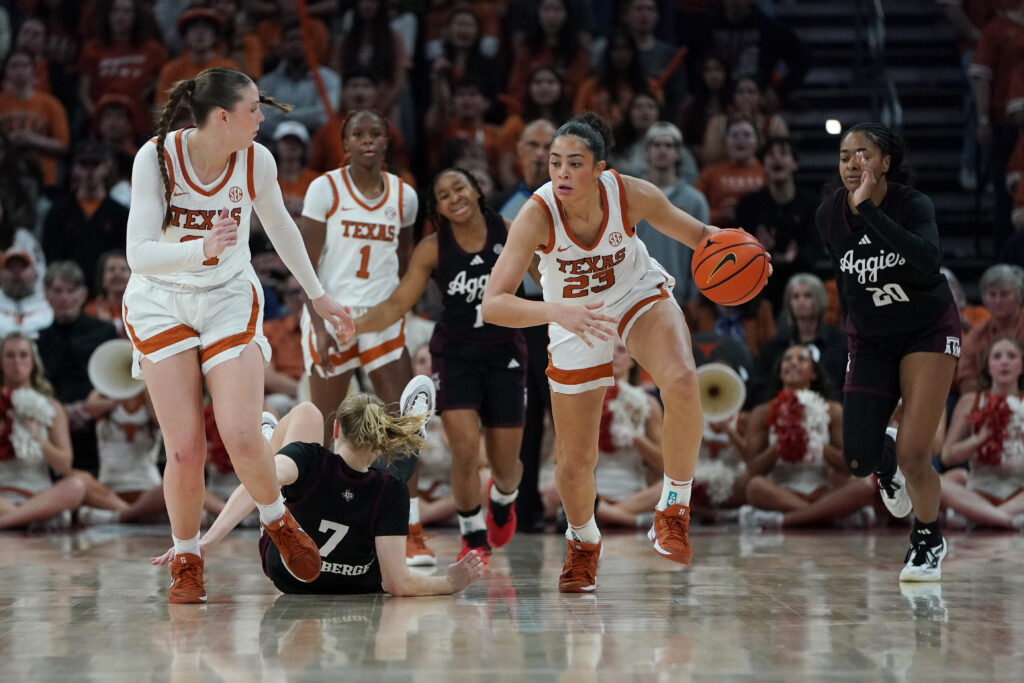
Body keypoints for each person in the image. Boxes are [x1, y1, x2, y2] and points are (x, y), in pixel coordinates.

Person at [482, 112, 739, 592]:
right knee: (574, 461)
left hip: (635, 294)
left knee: (683, 379)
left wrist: (743, 251)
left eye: (575, 163)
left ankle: (673, 509)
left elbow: (701, 236)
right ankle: (582, 542)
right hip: (572, 315)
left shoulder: (632, 194)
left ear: (600, 169)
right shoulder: (536, 215)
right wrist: (557, 311)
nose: (561, 172)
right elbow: (493, 304)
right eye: (555, 162)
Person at [124, 66, 353, 604]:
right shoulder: (156, 158)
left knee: (243, 434)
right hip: (160, 299)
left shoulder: (257, 160)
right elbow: (139, 254)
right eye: (254, 109)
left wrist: (318, 295)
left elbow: (281, 227)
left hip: (226, 294)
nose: (261, 118)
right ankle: (187, 559)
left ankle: (277, 519)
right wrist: (200, 248)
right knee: (184, 449)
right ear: (222, 117)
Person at [152, 384, 486, 596]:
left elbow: (256, 484)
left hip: (288, 577)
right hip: (358, 585)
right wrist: (448, 583)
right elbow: (398, 583)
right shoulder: (391, 488)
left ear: (336, 428)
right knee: (394, 475)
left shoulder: (311, 459)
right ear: (380, 439)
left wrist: (206, 541)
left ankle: (268, 446)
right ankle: (411, 432)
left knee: (305, 417)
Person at [353, 167, 527, 564]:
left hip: (505, 352)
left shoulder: (510, 231)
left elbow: (547, 277)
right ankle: (473, 534)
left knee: (505, 466)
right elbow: (398, 304)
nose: (454, 198)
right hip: (455, 355)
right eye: (444, 196)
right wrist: (353, 326)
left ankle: (503, 499)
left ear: (476, 190)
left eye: (459, 188)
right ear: (438, 209)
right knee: (463, 452)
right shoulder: (433, 248)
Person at [816, 122, 961, 581]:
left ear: (884, 163)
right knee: (858, 459)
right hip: (872, 337)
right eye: (844, 156)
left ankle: (928, 538)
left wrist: (869, 211)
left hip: (926, 329)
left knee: (916, 454)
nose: (851, 164)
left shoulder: (912, 204)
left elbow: (929, 259)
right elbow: (846, 280)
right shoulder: (828, 215)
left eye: (862, 155)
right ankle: (886, 461)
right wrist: (855, 333)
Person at [296, 109, 428, 565]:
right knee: (325, 431)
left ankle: (409, 529)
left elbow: (405, 259)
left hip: (382, 319)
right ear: (345, 143)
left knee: (403, 427)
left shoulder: (405, 196)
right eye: (359, 134)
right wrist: (318, 324)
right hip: (332, 315)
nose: (368, 140)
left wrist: (401, 306)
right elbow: (304, 262)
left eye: (376, 133)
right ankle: (315, 526)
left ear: (387, 142)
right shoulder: (325, 188)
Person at [738, 344, 878, 529]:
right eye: (787, 359)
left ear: (814, 374)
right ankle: (829, 516)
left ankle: (784, 520)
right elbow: (753, 469)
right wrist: (779, 446)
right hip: (780, 492)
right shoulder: (763, 412)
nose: (793, 362)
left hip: (822, 491)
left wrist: (817, 445)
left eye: (802, 359)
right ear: (780, 372)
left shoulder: (832, 410)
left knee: (866, 486)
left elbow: (849, 466)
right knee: (755, 486)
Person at [0, 333, 86, 530]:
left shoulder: (52, 407)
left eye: (23, 355)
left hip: (38, 497)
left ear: (33, 361)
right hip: (2, 497)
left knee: (76, 485)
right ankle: (26, 519)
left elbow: (65, 466)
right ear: (1, 362)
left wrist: (36, 436)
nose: (17, 362)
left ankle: (9, 521)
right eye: (10, 355)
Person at [938, 336, 1024, 529]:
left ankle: (984, 516)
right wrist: (979, 438)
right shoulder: (970, 401)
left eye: (1012, 356)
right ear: (988, 366)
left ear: (1022, 366)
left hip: (1019, 493)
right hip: (978, 491)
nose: (1004, 362)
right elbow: (947, 456)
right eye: (997, 356)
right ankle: (1005, 519)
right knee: (936, 481)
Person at [750, 273, 847, 404]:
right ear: (789, 302)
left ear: (820, 299)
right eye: (795, 296)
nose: (801, 301)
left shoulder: (840, 342)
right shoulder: (775, 345)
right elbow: (759, 388)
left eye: (807, 296)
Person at [955, 264, 1024, 393]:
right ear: (984, 300)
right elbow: (967, 377)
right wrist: (986, 400)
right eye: (992, 294)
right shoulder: (975, 336)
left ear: (1019, 296)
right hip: (986, 399)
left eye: (1004, 294)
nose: (998, 300)